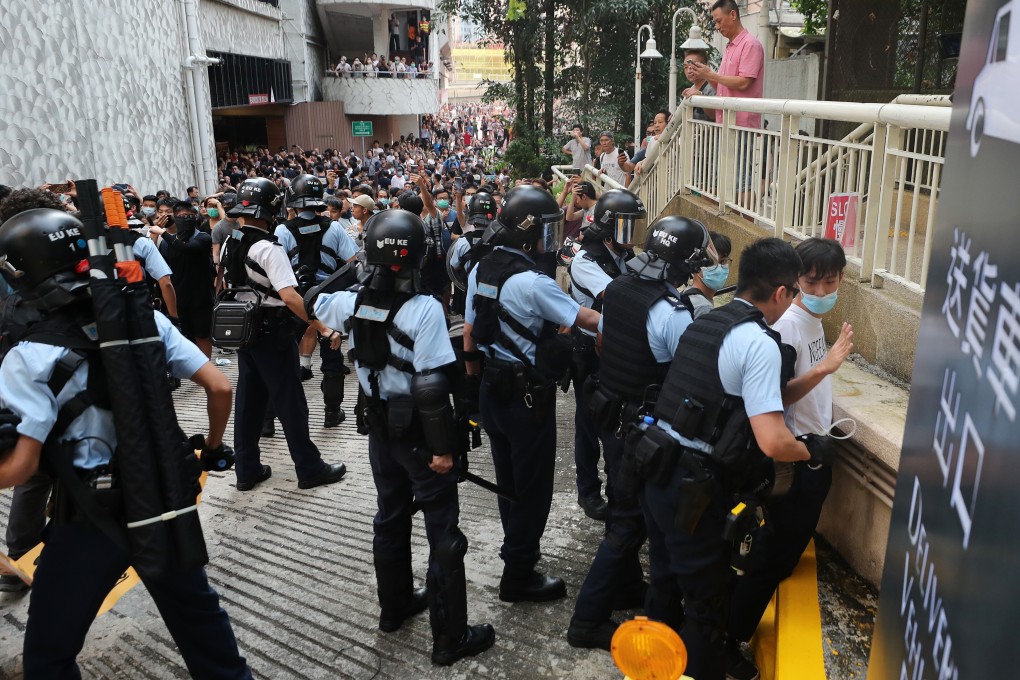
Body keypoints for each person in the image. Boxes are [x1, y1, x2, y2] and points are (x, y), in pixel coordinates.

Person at [0, 208, 252, 679]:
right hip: (163, 502)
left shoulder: (27, 357)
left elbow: (18, 468)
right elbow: (219, 388)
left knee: (49, 656)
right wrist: (213, 449)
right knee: (206, 636)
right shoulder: (145, 319)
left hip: (89, 519)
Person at [634, 237, 836, 679]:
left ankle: (651, 666)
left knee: (664, 582)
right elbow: (771, 440)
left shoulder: (708, 322)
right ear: (782, 292)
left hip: (656, 469)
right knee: (706, 607)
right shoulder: (761, 343)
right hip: (695, 491)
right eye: (796, 292)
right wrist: (812, 450)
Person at [310, 209, 496, 666]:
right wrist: (442, 451)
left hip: (379, 433)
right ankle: (450, 637)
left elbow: (314, 303)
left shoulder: (350, 303)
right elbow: (431, 388)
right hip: (419, 437)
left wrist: (349, 287)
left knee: (390, 518)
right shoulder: (425, 309)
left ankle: (394, 608)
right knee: (443, 533)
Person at [568, 214, 711, 650]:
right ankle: (587, 621)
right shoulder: (670, 313)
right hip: (644, 433)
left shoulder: (618, 291)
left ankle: (628, 588)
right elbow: (688, 376)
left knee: (621, 507)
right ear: (685, 264)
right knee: (629, 525)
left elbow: (604, 343)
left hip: (612, 415)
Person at [463, 185, 601, 602]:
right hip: (526, 398)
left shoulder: (480, 268)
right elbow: (587, 319)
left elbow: (470, 333)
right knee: (534, 488)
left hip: (491, 389)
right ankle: (518, 575)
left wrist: (472, 388)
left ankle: (516, 550)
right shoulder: (532, 282)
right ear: (528, 233)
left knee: (508, 481)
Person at [724, 238, 854, 680]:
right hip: (797, 456)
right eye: (811, 281)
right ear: (793, 283)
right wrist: (826, 368)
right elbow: (773, 398)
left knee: (783, 549)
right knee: (773, 554)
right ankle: (729, 636)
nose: (821, 290)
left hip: (814, 449)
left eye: (830, 280)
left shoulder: (813, 322)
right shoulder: (789, 328)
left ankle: (731, 622)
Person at [221, 178, 347, 491]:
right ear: (273, 207)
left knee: (248, 403)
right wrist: (321, 326)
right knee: (291, 401)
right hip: (271, 333)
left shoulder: (230, 241)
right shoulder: (267, 248)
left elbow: (222, 283)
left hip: (243, 331)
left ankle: (246, 469)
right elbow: (290, 297)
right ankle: (309, 467)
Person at [567, 189, 644, 522]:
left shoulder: (625, 255)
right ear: (609, 227)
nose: (632, 236)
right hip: (589, 352)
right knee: (588, 424)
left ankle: (620, 486)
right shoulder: (587, 260)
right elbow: (614, 296)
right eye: (627, 227)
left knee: (619, 421)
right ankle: (588, 491)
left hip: (619, 349)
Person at [274, 174, 358, 428]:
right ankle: (332, 412)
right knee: (332, 356)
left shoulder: (282, 229)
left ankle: (270, 419)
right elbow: (353, 262)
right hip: (327, 299)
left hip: (295, 300)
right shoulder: (334, 227)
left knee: (281, 359)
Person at [151, 201, 214, 358]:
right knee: (181, 337)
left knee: (202, 336)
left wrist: (162, 232)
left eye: (190, 216)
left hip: (201, 300)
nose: (186, 219)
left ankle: (206, 371)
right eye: (182, 216)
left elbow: (187, 248)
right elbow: (160, 270)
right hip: (177, 301)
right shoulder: (166, 243)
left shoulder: (203, 238)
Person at [684, 231, 733, 318]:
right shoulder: (703, 307)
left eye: (723, 261)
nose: (719, 268)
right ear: (696, 264)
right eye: (711, 262)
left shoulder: (688, 294)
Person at [679, 49, 719, 122]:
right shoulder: (691, 89)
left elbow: (716, 115)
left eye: (693, 65)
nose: (689, 70)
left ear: (705, 66)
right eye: (686, 67)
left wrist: (701, 97)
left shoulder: (713, 87)